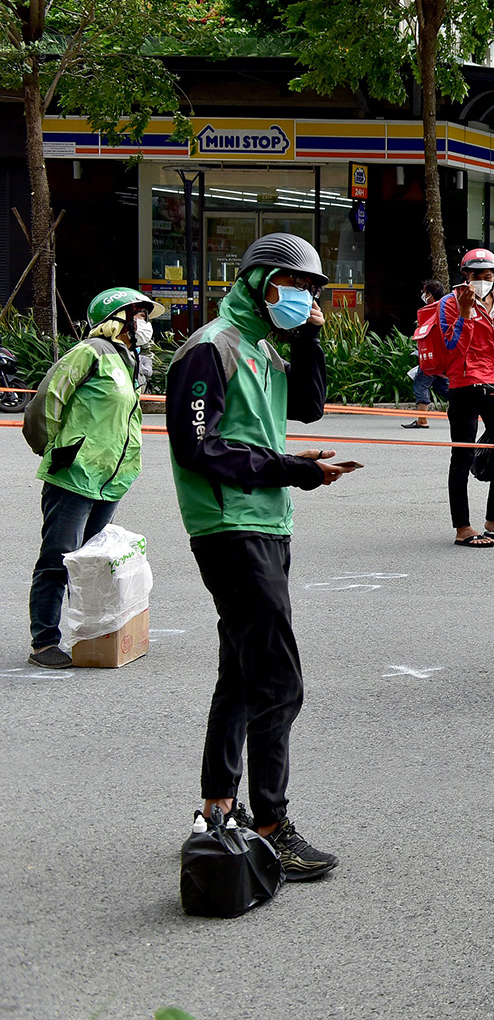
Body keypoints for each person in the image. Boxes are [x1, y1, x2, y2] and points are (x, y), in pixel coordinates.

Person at [168, 233, 361, 881]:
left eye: (312, 289)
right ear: (256, 283)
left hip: (266, 523)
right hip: (229, 526)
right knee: (279, 680)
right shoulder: (210, 348)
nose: (304, 297)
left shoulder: (262, 349)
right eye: (293, 286)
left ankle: (217, 807)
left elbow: (306, 407)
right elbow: (200, 447)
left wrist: (308, 336)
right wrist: (291, 469)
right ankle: (273, 823)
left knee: (242, 672)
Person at [26, 287, 161, 668]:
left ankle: (93, 638)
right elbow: (46, 401)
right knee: (58, 559)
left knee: (95, 565)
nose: (145, 323)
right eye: (139, 315)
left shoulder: (130, 360)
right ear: (116, 318)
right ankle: (44, 641)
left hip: (111, 479)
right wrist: (54, 450)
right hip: (75, 474)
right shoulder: (90, 353)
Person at [439, 247, 494, 547]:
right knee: (462, 456)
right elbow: (452, 347)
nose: (482, 281)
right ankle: (462, 527)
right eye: (476, 276)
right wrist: (466, 315)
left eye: (488, 276)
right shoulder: (450, 303)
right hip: (465, 386)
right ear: (465, 276)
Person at [402, 279, 450, 430]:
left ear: (430, 294)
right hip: (442, 356)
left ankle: (422, 420)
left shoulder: (430, 310)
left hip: (431, 356)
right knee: (444, 387)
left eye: (425, 293)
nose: (423, 296)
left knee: (420, 384)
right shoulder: (447, 308)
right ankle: (474, 409)